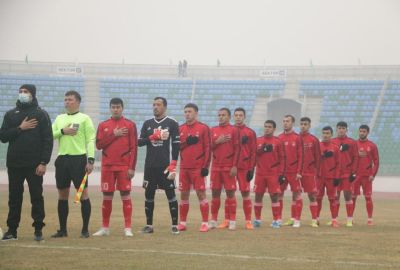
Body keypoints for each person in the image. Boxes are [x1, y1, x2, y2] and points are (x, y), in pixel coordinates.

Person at [0, 84, 53, 241]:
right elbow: (3, 136)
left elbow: (48, 140)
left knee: (36, 197)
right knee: (14, 198)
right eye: (20, 92)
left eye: (26, 92)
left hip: (35, 164)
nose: (22, 94)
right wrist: (20, 128)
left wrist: (43, 162)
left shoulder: (41, 114)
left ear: (33, 94)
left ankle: (38, 229)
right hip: (15, 163)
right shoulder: (10, 114)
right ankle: (12, 230)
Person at [51, 90, 96, 238]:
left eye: (70, 99)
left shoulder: (85, 118)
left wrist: (90, 160)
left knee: (83, 194)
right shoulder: (59, 118)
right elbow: (50, 135)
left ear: (77, 102)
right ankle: (63, 230)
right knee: (62, 195)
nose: (67, 102)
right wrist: (63, 131)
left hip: (79, 160)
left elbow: (90, 139)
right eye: (65, 99)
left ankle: (85, 229)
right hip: (62, 159)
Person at [93, 98, 138, 237]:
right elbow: (99, 145)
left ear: (122, 108)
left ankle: (128, 228)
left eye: (118, 107)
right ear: (110, 108)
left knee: (125, 194)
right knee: (107, 195)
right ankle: (105, 228)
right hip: (107, 166)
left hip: (124, 166)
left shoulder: (130, 125)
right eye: (113, 107)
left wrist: (132, 167)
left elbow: (134, 148)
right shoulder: (103, 125)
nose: (116, 109)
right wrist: (114, 134)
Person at [138, 97, 180, 234]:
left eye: (158, 105)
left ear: (165, 107)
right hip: (150, 166)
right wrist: (153, 137)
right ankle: (149, 226)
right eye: (154, 104)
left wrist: (173, 163)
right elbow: (139, 142)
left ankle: (174, 225)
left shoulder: (172, 123)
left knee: (171, 194)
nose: (155, 107)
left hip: (165, 166)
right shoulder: (147, 123)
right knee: (149, 194)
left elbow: (176, 145)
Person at [177, 103, 211, 232]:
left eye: (190, 111)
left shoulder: (203, 128)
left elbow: (208, 148)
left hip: (198, 168)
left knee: (201, 194)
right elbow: (176, 148)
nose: (187, 114)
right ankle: (183, 223)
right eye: (185, 111)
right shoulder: (180, 129)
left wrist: (205, 166)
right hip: (184, 167)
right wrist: (186, 142)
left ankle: (205, 223)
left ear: (196, 113)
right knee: (184, 195)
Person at [209, 108, 240, 230]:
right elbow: (208, 147)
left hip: (229, 167)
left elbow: (238, 149)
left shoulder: (234, 130)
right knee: (215, 194)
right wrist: (217, 141)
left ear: (229, 117)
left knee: (230, 194)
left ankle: (232, 220)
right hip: (216, 167)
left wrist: (234, 166)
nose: (221, 117)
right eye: (219, 115)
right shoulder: (213, 130)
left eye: (224, 115)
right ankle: (213, 220)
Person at [253, 120, 285, 229]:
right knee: (258, 196)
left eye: (270, 127)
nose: (267, 128)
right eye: (265, 126)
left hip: (273, 174)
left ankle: (276, 220)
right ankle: (257, 220)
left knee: (274, 196)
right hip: (260, 174)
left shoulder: (278, 141)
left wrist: (281, 174)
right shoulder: (258, 140)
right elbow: (254, 155)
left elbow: (282, 158)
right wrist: (262, 149)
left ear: (274, 129)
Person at [278, 115, 304, 227]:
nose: (285, 123)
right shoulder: (279, 138)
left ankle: (296, 219)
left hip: (294, 172)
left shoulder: (297, 138)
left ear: (292, 123)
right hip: (282, 172)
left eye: (287, 121)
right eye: (284, 121)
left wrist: (299, 171)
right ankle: (278, 219)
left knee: (296, 195)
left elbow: (301, 156)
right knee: (279, 195)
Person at [233, 108, 257, 229]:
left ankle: (248, 221)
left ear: (244, 117)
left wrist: (252, 168)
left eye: (240, 115)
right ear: (233, 117)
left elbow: (253, 152)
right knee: (230, 194)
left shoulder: (250, 133)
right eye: (236, 115)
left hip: (244, 167)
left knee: (245, 194)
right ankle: (229, 220)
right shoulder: (230, 131)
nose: (238, 117)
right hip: (231, 168)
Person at [332, 121, 359, 227]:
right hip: (336, 174)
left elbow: (356, 158)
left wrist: (354, 173)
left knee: (348, 196)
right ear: (336, 129)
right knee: (335, 196)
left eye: (343, 128)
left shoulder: (352, 142)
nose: (341, 130)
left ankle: (349, 219)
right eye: (339, 128)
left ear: (346, 130)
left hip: (347, 173)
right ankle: (335, 219)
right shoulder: (332, 141)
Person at [353, 124, 379, 225]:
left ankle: (370, 219)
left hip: (367, 176)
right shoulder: (354, 144)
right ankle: (351, 218)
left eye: (364, 131)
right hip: (355, 176)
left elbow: (376, 162)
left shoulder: (372, 146)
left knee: (368, 197)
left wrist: (373, 174)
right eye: (360, 131)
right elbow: (349, 160)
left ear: (367, 132)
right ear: (358, 132)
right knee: (353, 197)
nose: (362, 133)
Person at [316, 126, 341, 227]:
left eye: (327, 133)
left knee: (332, 199)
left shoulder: (335, 148)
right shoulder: (317, 146)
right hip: (319, 177)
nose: (325, 135)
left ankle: (334, 220)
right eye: (324, 133)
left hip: (331, 177)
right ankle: (316, 219)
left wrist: (337, 177)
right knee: (318, 198)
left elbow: (339, 164)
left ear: (331, 135)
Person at [299, 117, 321, 227]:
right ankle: (294, 219)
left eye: (305, 124)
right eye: (301, 124)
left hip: (309, 172)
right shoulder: (296, 138)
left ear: (309, 126)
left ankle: (314, 219)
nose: (303, 126)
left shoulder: (313, 140)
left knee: (312, 196)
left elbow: (318, 158)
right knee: (296, 195)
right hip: (297, 173)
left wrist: (317, 173)